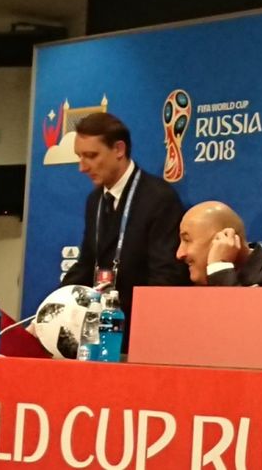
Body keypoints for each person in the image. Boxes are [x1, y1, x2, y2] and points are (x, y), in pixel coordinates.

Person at [61, 112, 190, 349]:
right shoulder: (95, 200)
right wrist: (55, 307)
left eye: (91, 156)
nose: (82, 167)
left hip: (143, 336)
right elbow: (87, 264)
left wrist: (144, 333)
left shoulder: (159, 198)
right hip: (97, 333)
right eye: (79, 157)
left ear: (119, 149)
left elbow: (166, 277)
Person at [177, 201, 262, 287]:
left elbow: (239, 322)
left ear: (224, 239)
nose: (179, 254)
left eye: (187, 240)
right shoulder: (200, 281)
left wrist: (219, 267)